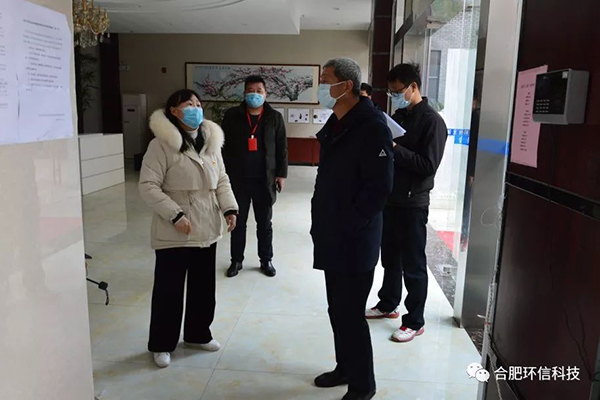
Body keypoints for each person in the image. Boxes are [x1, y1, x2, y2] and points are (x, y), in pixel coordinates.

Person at [311, 58, 393, 400]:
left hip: (355, 237)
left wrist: (351, 224)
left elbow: (380, 188)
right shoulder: (338, 121)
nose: (321, 86)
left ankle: (363, 385)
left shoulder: (372, 125)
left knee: (350, 313)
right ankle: (344, 367)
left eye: (325, 80)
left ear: (346, 86)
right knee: (337, 309)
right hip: (332, 232)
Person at [139, 89, 239, 368]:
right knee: (169, 290)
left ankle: (198, 334)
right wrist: (175, 215)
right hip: (175, 229)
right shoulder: (161, 145)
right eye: (188, 104)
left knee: (203, 287)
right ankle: (162, 343)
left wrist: (229, 208)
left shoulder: (211, 142)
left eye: (197, 104)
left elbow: (222, 180)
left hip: (206, 226)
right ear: (174, 111)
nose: (195, 108)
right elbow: (148, 186)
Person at [366, 63, 448, 343]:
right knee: (390, 258)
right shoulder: (399, 116)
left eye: (397, 91)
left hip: (414, 202)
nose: (394, 96)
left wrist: (395, 149)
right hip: (391, 197)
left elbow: (428, 165)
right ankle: (388, 303)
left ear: (414, 87)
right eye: (390, 92)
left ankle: (414, 321)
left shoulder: (433, 121)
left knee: (413, 263)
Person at [221, 75, 288, 278]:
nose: (255, 94)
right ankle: (236, 260)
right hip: (238, 179)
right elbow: (223, 147)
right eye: (251, 91)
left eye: (259, 91)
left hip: (264, 180)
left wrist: (281, 174)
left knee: (264, 223)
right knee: (237, 223)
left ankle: (266, 260)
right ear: (244, 93)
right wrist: (222, 174)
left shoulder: (274, 117)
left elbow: (282, 147)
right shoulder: (232, 116)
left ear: (266, 94)